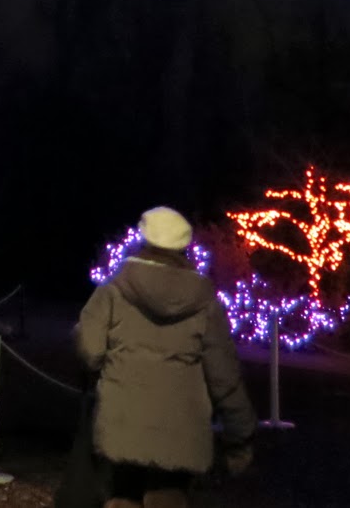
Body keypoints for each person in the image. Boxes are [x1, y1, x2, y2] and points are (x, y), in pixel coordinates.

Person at [74, 207, 256, 508]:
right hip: (182, 430)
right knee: (169, 496)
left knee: (123, 494)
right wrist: (241, 433)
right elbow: (224, 375)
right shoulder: (205, 301)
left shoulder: (113, 292)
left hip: (123, 421)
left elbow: (90, 352)